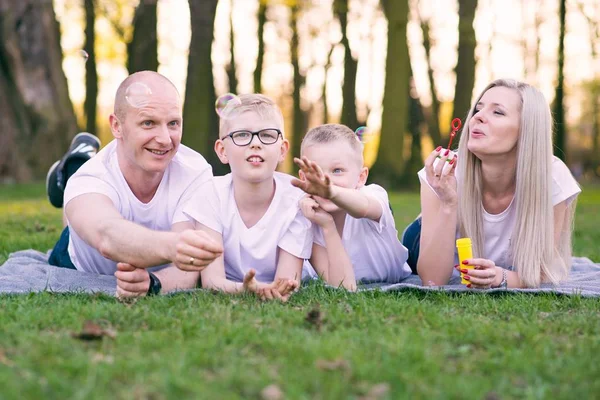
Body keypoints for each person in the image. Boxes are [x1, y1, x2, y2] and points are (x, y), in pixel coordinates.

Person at [46, 71, 223, 297]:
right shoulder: (91, 178)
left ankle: (78, 157)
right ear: (117, 126)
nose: (165, 139)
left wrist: (153, 284)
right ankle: (73, 166)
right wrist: (175, 246)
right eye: (148, 123)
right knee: (73, 215)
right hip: (77, 260)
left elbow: (188, 272)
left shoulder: (195, 172)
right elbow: (107, 237)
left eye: (173, 123)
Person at [403, 78, 581, 288]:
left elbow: (542, 271)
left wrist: (502, 277)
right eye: (478, 109)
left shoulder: (552, 178)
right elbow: (433, 280)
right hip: (422, 238)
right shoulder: (443, 172)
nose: (478, 117)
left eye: (497, 112)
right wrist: (448, 204)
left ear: (527, 130)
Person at [172, 94, 312, 301]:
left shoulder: (296, 201)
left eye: (267, 135)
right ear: (222, 151)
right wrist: (247, 289)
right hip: (233, 283)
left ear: (282, 150)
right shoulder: (210, 194)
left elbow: (287, 283)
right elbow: (212, 281)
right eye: (242, 135)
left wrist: (272, 289)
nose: (255, 143)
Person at [292, 124, 411, 291]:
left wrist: (331, 192)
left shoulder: (373, 194)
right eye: (316, 172)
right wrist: (328, 226)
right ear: (303, 178)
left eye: (337, 170)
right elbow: (343, 286)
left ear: (361, 178)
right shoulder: (307, 216)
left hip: (397, 269)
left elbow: (363, 207)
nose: (326, 181)